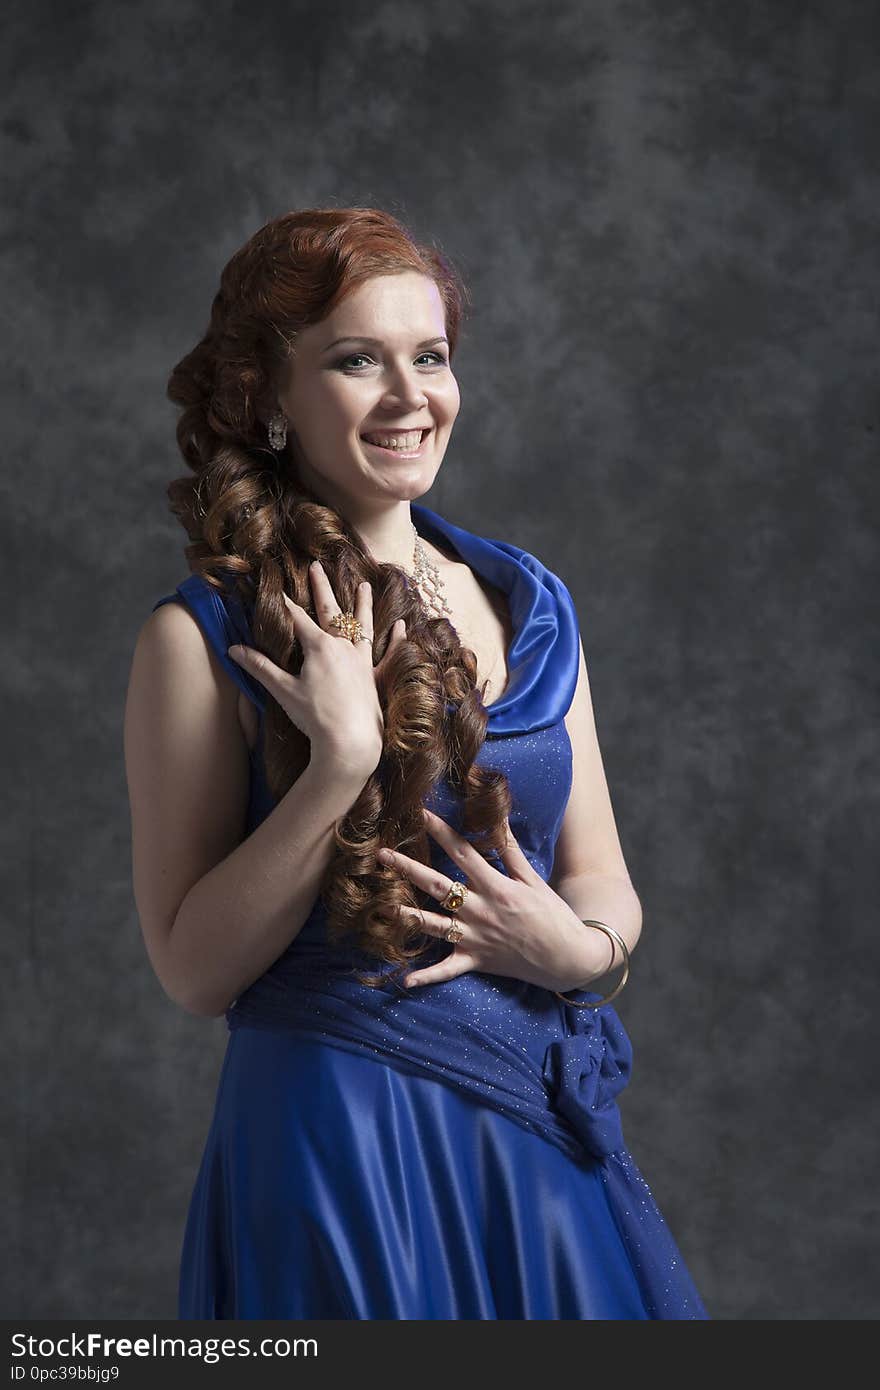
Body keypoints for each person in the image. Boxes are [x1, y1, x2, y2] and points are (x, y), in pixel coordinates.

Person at [123, 206, 709, 1320]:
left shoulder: (534, 605)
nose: (410, 397)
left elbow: (604, 880)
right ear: (267, 398)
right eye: (356, 360)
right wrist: (336, 766)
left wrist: (575, 950)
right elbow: (194, 972)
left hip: (535, 1145)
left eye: (429, 357)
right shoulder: (196, 639)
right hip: (338, 1146)